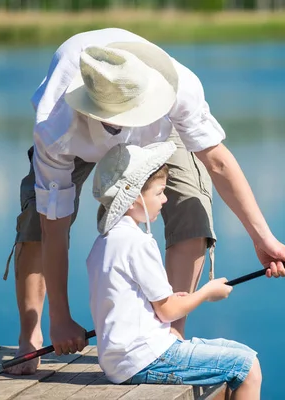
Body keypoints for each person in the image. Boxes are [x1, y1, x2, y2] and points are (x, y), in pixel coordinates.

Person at [4, 28, 285, 375]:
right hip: (80, 137)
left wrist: (263, 238)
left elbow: (217, 161)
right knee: (37, 217)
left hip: (159, 132)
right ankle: (31, 337)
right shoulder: (56, 124)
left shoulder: (177, 88)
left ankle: (169, 337)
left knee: (191, 203)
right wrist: (62, 318)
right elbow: (55, 223)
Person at [87, 142, 261, 399]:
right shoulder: (139, 242)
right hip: (146, 358)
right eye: (159, 193)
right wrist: (205, 293)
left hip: (117, 361)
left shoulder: (102, 243)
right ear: (136, 198)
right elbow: (167, 311)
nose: (165, 199)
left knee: (235, 351)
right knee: (247, 366)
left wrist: (177, 299)